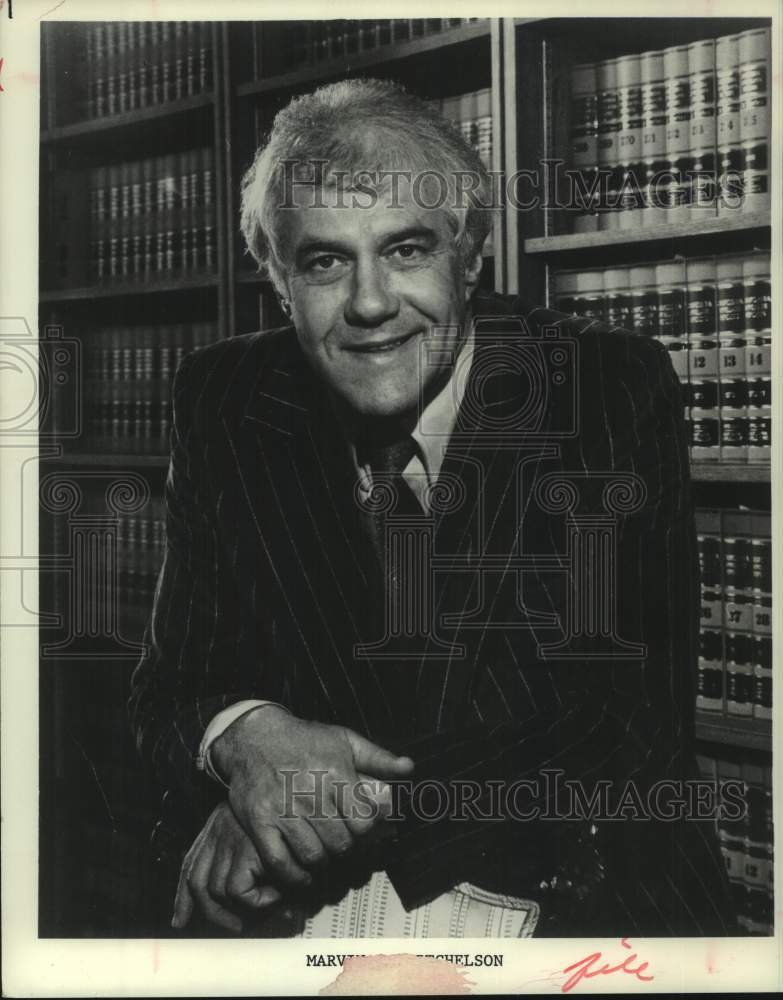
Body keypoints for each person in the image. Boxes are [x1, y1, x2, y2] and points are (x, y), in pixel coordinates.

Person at [129, 78, 735, 938]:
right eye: (324, 261)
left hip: (571, 909)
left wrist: (308, 798)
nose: (371, 303)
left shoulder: (602, 388)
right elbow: (169, 691)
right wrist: (244, 737)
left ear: (471, 254)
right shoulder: (224, 398)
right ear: (279, 281)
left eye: (406, 249)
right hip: (303, 923)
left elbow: (619, 719)